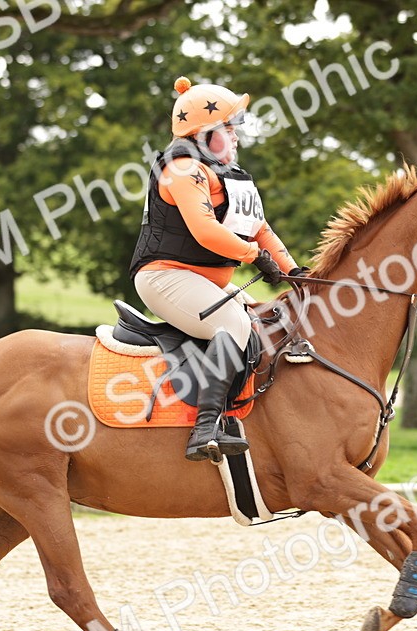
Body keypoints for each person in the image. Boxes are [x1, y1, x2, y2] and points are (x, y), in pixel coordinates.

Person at [129, 76, 306, 462]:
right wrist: (253, 257)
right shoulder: (183, 170)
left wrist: (296, 274)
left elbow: (260, 230)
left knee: (267, 320)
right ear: (203, 132)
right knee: (236, 328)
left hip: (203, 281)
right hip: (165, 276)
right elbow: (205, 231)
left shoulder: (232, 176)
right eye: (229, 128)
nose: (237, 136)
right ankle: (205, 429)